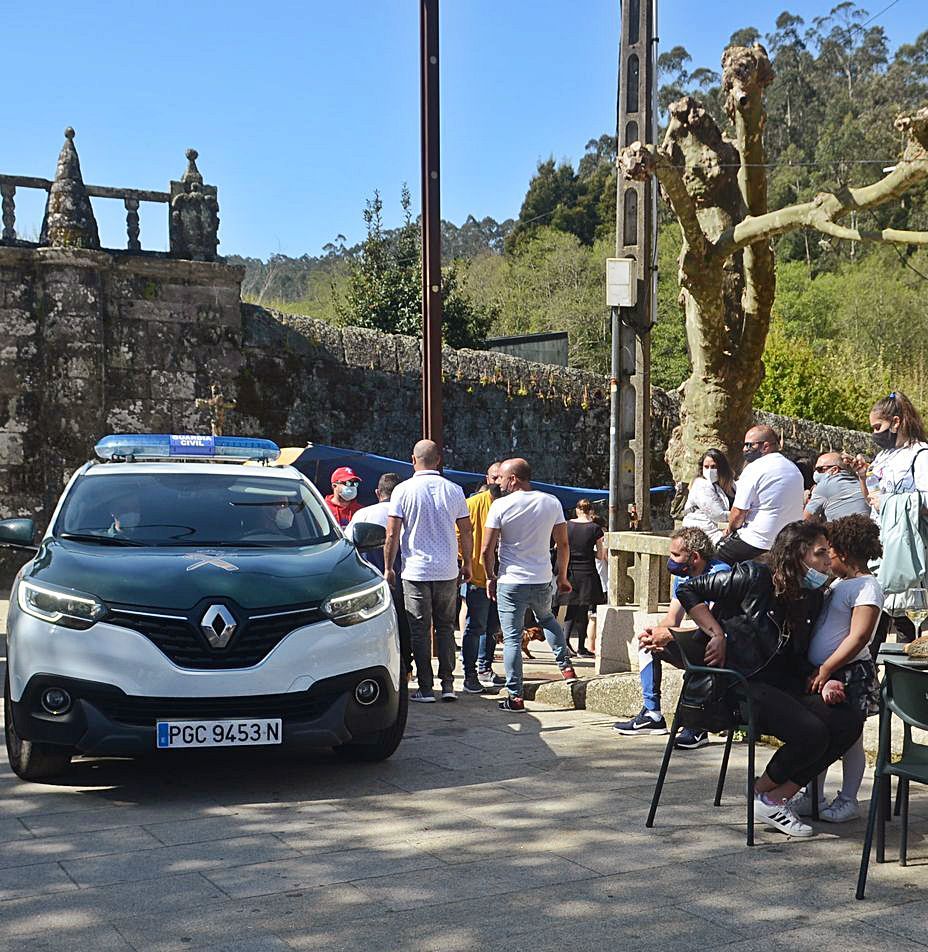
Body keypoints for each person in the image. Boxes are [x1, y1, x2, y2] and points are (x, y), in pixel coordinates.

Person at [671, 521, 864, 837]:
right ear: (798, 555)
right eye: (820, 554)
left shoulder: (811, 596)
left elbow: (793, 654)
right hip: (737, 684)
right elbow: (688, 588)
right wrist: (716, 632)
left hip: (779, 684)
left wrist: (823, 678)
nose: (828, 562)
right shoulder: (754, 576)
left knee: (847, 722)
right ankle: (764, 795)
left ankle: (771, 795)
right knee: (811, 732)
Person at [790, 514, 883, 823]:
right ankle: (813, 794)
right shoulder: (839, 584)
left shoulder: (866, 587)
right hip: (825, 673)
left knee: (849, 737)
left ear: (843, 552)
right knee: (823, 733)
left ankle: (848, 799)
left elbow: (859, 636)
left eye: (829, 551)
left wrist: (828, 666)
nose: (827, 558)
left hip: (848, 673)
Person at [613, 527, 728, 749]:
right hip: (700, 639)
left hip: (720, 645)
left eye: (675, 555)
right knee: (648, 643)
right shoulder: (682, 577)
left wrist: (671, 635)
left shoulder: (719, 576)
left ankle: (698, 725)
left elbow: (715, 628)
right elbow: (672, 619)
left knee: (700, 651)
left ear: (694, 557)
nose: (671, 560)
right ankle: (652, 714)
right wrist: (655, 634)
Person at [481, 458, 576, 713]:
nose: (497, 482)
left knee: (512, 638)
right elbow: (563, 544)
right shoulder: (551, 502)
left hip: (511, 581)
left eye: (501, 477)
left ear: (513, 478)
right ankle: (566, 668)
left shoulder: (500, 505)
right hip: (542, 577)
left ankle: (515, 697)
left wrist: (490, 576)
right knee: (547, 619)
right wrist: (563, 576)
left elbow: (487, 549)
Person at [384, 440, 473, 703]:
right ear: (439, 460)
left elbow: (392, 533)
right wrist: (466, 562)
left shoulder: (402, 490)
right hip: (447, 569)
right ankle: (447, 684)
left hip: (415, 571)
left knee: (420, 630)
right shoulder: (455, 490)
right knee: (446, 628)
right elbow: (466, 531)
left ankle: (425, 688)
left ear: (413, 459)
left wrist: (389, 566)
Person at [856, 390, 928, 642]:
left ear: (896, 422)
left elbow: (926, 501)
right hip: (881, 543)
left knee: (906, 619)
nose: (875, 433)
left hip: (905, 547)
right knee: (875, 615)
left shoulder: (921, 455)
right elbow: (873, 500)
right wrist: (864, 478)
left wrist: (889, 502)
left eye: (878, 427)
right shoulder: (883, 456)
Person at [345, 473, 412, 678]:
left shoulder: (364, 514)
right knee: (405, 621)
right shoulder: (409, 515)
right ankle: (407, 668)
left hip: (371, 579)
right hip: (404, 576)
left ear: (377, 493)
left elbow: (348, 543)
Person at [716, 425, 804, 565]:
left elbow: (738, 513)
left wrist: (729, 530)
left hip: (759, 541)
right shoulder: (794, 469)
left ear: (766, 446)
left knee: (713, 558)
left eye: (750, 445)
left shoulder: (754, 468)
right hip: (790, 541)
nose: (745, 449)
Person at [459, 461, 506, 694]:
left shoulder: (510, 504)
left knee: (493, 627)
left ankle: (485, 668)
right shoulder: (472, 504)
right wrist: (466, 562)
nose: (498, 482)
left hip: (503, 578)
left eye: (502, 478)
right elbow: (458, 534)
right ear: (487, 479)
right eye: (494, 478)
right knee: (475, 626)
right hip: (478, 577)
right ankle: (469, 674)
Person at [560, 499, 606, 658]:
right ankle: (581, 647)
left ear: (577, 510)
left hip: (570, 570)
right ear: (590, 511)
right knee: (583, 610)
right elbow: (600, 555)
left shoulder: (566, 525)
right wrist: (589, 553)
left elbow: (560, 547)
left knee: (570, 609)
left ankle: (565, 643)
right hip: (588, 572)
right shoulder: (595, 529)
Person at [681, 449, 737, 543]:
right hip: (703, 535)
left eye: (714, 466)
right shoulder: (702, 485)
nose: (710, 470)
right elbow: (717, 515)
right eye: (706, 467)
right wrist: (739, 514)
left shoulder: (732, 485)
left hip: (724, 532)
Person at [803, 452, 869, 522]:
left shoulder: (826, 485)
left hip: (840, 531)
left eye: (820, 469)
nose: (816, 473)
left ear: (834, 470)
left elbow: (805, 520)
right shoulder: (862, 483)